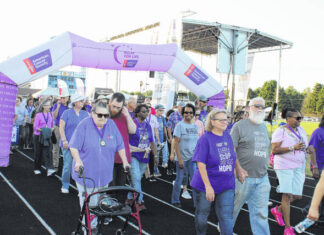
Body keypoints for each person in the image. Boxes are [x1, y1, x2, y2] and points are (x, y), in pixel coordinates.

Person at [69, 101, 130, 230]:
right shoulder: (83, 125)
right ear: (92, 114)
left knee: (98, 202)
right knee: (89, 203)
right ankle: (90, 228)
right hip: (86, 174)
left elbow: (120, 145)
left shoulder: (111, 125)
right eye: (100, 115)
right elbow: (73, 146)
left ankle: (92, 224)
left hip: (104, 174)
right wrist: (78, 161)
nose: (103, 118)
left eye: (106, 115)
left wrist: (125, 161)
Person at [191, 109, 236, 235]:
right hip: (205, 185)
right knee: (202, 215)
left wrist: (239, 169)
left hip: (226, 184)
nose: (225, 121)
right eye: (221, 119)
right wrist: (208, 186)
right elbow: (200, 163)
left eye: (226, 119)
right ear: (212, 122)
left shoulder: (227, 136)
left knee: (226, 217)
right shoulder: (205, 139)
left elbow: (233, 155)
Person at [231, 97, 271, 235]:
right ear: (248, 108)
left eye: (262, 106)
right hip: (243, 177)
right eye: (257, 106)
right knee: (234, 208)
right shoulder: (239, 126)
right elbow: (231, 151)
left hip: (262, 178)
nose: (260, 109)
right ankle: (225, 227)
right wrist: (239, 169)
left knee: (261, 214)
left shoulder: (264, 127)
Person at [270, 108, 309, 235]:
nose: (300, 120)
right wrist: (293, 147)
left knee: (298, 196)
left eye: (300, 117)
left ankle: (278, 209)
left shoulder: (301, 130)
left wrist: (306, 150)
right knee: (286, 195)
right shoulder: (280, 131)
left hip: (299, 166)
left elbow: (304, 145)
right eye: (297, 118)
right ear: (289, 118)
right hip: (284, 166)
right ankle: (288, 228)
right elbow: (275, 150)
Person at [128, 104, 157, 211]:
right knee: (136, 178)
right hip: (134, 154)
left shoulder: (148, 125)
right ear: (138, 112)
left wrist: (155, 155)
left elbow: (151, 141)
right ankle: (140, 201)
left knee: (137, 179)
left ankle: (130, 197)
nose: (146, 113)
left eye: (147, 111)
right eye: (144, 111)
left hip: (145, 156)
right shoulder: (132, 123)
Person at [59, 94, 89, 194]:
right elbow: (61, 127)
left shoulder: (85, 114)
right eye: (80, 101)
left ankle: (80, 188)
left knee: (80, 166)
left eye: (83, 101)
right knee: (67, 166)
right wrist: (64, 140)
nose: (82, 102)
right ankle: (65, 185)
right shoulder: (66, 113)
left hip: (80, 146)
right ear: (75, 102)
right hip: (68, 144)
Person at [171, 103, 198, 208]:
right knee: (179, 180)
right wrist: (179, 159)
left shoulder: (195, 126)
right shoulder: (179, 125)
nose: (188, 114)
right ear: (183, 113)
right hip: (181, 158)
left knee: (195, 181)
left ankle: (197, 202)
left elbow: (196, 143)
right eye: (186, 112)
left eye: (191, 112)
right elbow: (176, 143)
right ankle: (175, 200)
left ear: (193, 114)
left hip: (192, 158)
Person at [109, 92, 136, 187]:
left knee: (120, 187)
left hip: (123, 157)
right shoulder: (104, 115)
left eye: (118, 107)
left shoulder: (125, 115)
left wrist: (127, 115)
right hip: (108, 157)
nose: (115, 109)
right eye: (114, 106)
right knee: (109, 187)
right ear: (110, 102)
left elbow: (133, 130)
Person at [33, 98, 56, 176]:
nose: (49, 106)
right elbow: (35, 127)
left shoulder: (51, 114)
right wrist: (44, 130)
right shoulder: (38, 115)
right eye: (48, 105)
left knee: (48, 152)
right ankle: (37, 168)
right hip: (38, 136)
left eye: (50, 105)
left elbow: (53, 125)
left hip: (47, 136)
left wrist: (51, 129)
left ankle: (49, 169)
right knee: (38, 152)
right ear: (43, 106)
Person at [52, 93, 69, 171]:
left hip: (67, 129)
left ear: (68, 98)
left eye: (64, 97)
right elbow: (54, 116)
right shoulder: (56, 105)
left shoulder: (69, 107)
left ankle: (67, 166)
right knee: (56, 147)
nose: (63, 99)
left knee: (66, 148)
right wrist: (58, 106)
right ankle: (55, 165)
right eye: (61, 97)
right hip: (57, 128)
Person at [155, 104, 169, 168]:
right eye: (160, 110)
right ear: (156, 110)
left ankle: (164, 162)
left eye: (162, 110)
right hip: (156, 139)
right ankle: (155, 167)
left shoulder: (163, 118)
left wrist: (166, 136)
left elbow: (164, 127)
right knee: (156, 154)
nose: (161, 112)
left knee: (165, 152)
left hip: (162, 138)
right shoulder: (154, 118)